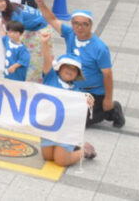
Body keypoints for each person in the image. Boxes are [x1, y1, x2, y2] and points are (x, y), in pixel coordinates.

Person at [34, 0, 126, 128]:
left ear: (91, 25)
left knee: (80, 122)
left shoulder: (100, 48)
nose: (79, 27)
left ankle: (111, 110)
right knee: (63, 116)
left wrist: (108, 99)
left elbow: (108, 75)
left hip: (94, 92)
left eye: (84, 24)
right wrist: (41, 4)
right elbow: (52, 19)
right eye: (76, 23)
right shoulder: (70, 34)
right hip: (73, 88)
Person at [38, 29, 98, 165]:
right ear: (59, 67)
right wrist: (44, 43)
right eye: (67, 67)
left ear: (77, 74)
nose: (70, 71)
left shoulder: (76, 90)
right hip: (49, 127)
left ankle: (84, 150)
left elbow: (84, 103)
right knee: (48, 157)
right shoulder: (50, 78)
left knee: (61, 161)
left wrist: (88, 102)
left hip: (66, 131)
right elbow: (47, 59)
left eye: (74, 69)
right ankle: (70, 148)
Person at [0, 0, 49, 82]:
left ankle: (32, 82)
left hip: (40, 27)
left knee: (34, 58)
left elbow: (17, 32)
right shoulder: (7, 9)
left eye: (1, 1)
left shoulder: (15, 13)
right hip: (28, 27)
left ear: (6, 1)